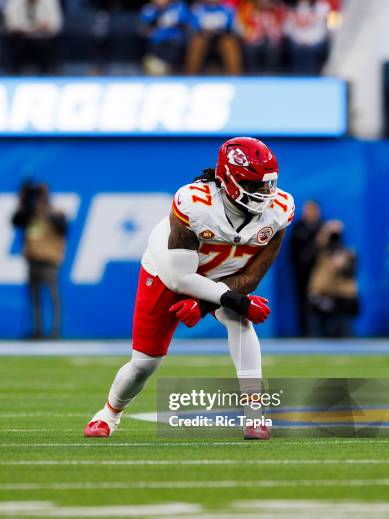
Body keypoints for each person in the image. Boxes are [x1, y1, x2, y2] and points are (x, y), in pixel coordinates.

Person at [84, 137, 295, 441]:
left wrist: (208, 305)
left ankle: (255, 415)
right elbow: (179, 279)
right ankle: (109, 413)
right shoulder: (194, 204)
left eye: (269, 184)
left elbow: (252, 275)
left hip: (223, 275)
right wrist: (232, 300)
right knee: (145, 363)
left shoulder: (280, 208)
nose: (266, 193)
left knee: (240, 320)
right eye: (255, 185)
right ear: (229, 181)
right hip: (167, 272)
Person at [11, 182, 68, 339]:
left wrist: (47, 212)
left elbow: (63, 228)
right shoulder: (31, 214)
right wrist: (24, 200)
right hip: (33, 260)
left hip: (50, 261)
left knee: (53, 297)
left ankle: (55, 331)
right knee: (34, 297)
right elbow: (16, 220)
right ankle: (37, 331)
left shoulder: (57, 212)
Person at [307, 220, 359, 338]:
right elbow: (306, 256)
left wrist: (342, 265)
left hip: (341, 297)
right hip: (322, 295)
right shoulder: (320, 253)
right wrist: (325, 231)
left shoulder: (348, 253)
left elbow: (351, 273)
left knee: (344, 328)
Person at [290, 199, 322, 336]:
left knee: (321, 302)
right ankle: (305, 333)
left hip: (321, 273)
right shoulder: (298, 228)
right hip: (302, 273)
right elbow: (295, 253)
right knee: (303, 303)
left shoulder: (323, 226)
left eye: (313, 210)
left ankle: (323, 332)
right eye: (308, 210)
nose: (310, 213)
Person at [3, 0, 63, 74]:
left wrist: (40, 28)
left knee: (51, 44)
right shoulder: (14, 2)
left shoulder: (50, 2)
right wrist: (31, 29)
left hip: (43, 39)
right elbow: (10, 25)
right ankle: (11, 75)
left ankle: (48, 74)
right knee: (11, 41)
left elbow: (55, 26)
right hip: (20, 39)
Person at [185, 0, 242, 75]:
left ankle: (236, 78)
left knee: (229, 43)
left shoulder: (228, 9)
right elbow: (191, 28)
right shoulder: (197, 9)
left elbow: (234, 28)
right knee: (197, 42)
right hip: (203, 38)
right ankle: (190, 77)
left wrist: (221, 31)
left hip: (222, 38)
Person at [139, 0, 191, 75]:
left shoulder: (179, 6)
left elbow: (187, 23)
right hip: (156, 45)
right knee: (155, 66)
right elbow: (142, 27)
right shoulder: (150, 9)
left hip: (176, 43)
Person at [237, 0, 286, 74]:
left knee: (272, 48)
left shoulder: (275, 13)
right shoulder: (252, 12)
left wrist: (270, 34)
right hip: (255, 39)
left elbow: (279, 29)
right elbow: (247, 28)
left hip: (271, 39)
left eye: (267, 2)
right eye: (262, 2)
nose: (264, 4)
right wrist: (254, 35)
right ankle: (252, 74)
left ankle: (272, 73)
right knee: (250, 48)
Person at [284, 0, 330, 74]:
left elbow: (322, 31)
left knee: (312, 51)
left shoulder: (320, 7)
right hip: (297, 42)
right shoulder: (292, 9)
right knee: (295, 50)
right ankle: (297, 77)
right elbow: (287, 30)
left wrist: (309, 41)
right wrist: (300, 40)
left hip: (314, 41)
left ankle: (313, 77)